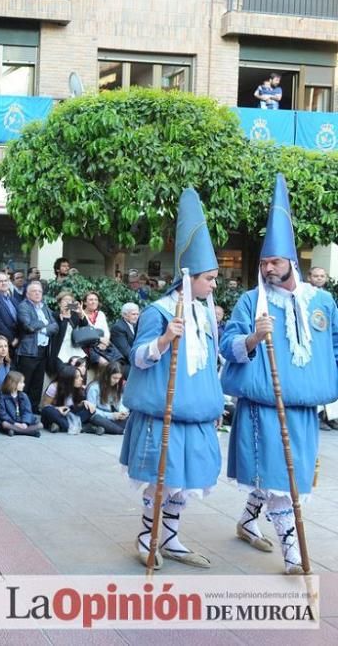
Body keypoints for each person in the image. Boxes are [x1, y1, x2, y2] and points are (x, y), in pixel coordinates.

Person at [220, 175, 338, 574]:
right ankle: (293, 555)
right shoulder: (251, 301)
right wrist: (254, 337)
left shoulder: (322, 301)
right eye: (264, 262)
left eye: (275, 261)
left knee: (289, 475)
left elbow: (335, 347)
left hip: (304, 407)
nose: (268, 267)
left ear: (292, 262)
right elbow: (227, 345)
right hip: (263, 406)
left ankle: (248, 520)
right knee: (276, 478)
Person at [120, 188, 224, 570]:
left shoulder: (206, 314)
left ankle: (172, 536)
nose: (214, 285)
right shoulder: (159, 311)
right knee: (163, 480)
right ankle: (148, 535)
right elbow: (137, 357)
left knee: (187, 480)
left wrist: (215, 406)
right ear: (191, 278)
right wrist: (165, 339)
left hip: (196, 414)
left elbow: (210, 363)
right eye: (210, 279)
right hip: (163, 413)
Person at [15, 281, 58, 413]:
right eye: (34, 291)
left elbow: (55, 326)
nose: (38, 294)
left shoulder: (44, 306)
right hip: (29, 351)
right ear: (27, 294)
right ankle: (22, 409)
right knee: (25, 383)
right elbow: (28, 326)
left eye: (39, 291)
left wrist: (43, 329)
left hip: (43, 350)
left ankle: (33, 409)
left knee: (37, 383)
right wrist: (44, 324)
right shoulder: (23, 306)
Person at [40, 365, 97, 434]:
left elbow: (74, 407)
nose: (81, 379)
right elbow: (45, 406)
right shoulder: (54, 387)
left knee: (90, 408)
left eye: (81, 376)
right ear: (69, 379)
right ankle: (81, 427)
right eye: (77, 377)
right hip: (56, 413)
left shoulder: (77, 388)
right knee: (48, 410)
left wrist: (84, 402)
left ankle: (61, 426)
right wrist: (57, 408)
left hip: (69, 414)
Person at [49, 290, 88, 374]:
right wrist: (63, 317)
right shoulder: (55, 315)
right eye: (65, 300)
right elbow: (57, 333)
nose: (68, 302)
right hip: (60, 350)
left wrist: (81, 314)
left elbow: (85, 328)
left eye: (70, 300)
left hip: (74, 347)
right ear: (59, 303)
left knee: (82, 368)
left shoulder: (74, 315)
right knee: (65, 372)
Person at [86, 361, 129, 435]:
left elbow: (120, 402)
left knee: (129, 418)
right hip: (100, 416)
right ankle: (121, 431)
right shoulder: (94, 388)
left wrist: (123, 412)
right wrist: (112, 416)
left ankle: (98, 428)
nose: (117, 381)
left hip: (112, 415)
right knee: (97, 418)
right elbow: (92, 411)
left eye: (119, 378)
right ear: (107, 375)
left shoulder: (117, 386)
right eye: (114, 378)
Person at [0, 371, 43, 437]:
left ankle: (15, 431)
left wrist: (25, 423)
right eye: (21, 382)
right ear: (13, 383)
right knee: (4, 424)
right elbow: (2, 413)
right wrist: (15, 423)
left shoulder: (24, 396)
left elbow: (27, 411)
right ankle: (30, 432)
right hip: (12, 422)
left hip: (22, 420)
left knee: (40, 425)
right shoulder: (3, 397)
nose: (24, 384)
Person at [82, 291, 115, 367]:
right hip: (88, 346)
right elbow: (86, 332)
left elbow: (106, 331)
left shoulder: (100, 314)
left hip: (103, 344)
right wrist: (100, 339)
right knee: (105, 363)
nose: (94, 302)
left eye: (96, 300)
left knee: (117, 363)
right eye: (91, 300)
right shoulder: (81, 315)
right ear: (85, 302)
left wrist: (105, 342)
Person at [109, 302, 140, 373]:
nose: (136, 317)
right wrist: (140, 362)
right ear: (124, 315)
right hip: (122, 363)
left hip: (133, 360)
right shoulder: (118, 328)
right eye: (133, 314)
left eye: (137, 314)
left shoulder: (135, 325)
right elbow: (126, 351)